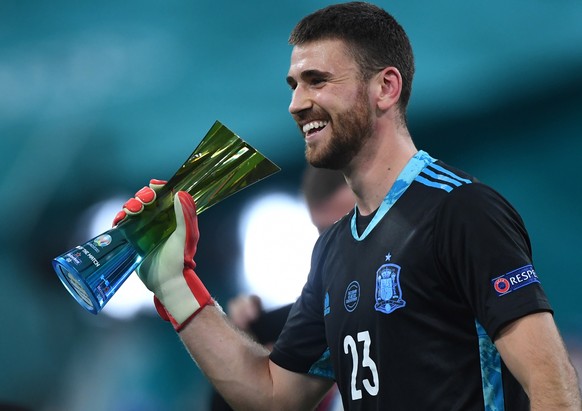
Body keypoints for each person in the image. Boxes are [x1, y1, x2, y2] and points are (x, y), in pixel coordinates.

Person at [113, 2, 582, 409]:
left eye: (317, 81)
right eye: (294, 85)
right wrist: (175, 285)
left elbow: (553, 389)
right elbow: (271, 396)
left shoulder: (461, 211)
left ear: (386, 88)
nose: (297, 104)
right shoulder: (333, 250)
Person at [210, 166, 352, 411]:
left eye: (353, 227)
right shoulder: (294, 331)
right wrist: (245, 356)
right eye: (325, 234)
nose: (337, 249)